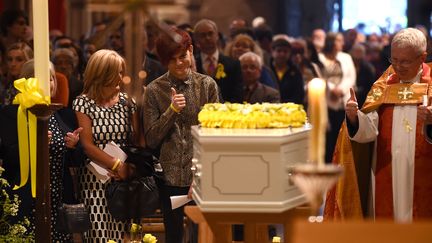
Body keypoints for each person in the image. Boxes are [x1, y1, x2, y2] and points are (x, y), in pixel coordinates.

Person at [324, 28, 432, 222]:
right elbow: (370, 128)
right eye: (394, 60)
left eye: (405, 61)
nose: (398, 67)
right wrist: (355, 118)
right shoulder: (384, 83)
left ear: (422, 57)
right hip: (386, 170)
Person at [143, 27, 219, 243]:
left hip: (202, 174)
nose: (179, 63)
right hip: (170, 176)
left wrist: (201, 171)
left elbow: (213, 135)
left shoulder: (207, 86)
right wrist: (172, 111)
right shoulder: (154, 90)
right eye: (172, 59)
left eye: (183, 56)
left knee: (202, 235)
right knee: (174, 235)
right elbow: (151, 138)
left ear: (191, 51)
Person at [73, 49, 139, 242]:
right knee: (99, 236)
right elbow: (88, 145)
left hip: (126, 179)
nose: (121, 77)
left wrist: (130, 168)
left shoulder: (129, 102)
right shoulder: (82, 103)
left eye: (121, 71)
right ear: (101, 73)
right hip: (95, 180)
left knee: (126, 236)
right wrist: (117, 165)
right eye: (116, 72)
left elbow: (138, 142)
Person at [19, 59, 84, 242]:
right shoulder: (11, 113)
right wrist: (35, 143)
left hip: (58, 197)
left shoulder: (65, 114)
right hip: (26, 198)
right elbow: (8, 156)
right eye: (41, 78)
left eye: (52, 79)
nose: (49, 83)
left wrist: (73, 146)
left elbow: (77, 161)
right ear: (27, 81)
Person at [319, 32, 356, 163]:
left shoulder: (346, 57)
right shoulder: (320, 58)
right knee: (327, 138)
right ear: (331, 42)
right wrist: (331, 88)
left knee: (340, 135)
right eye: (339, 40)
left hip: (341, 99)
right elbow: (319, 76)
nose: (342, 43)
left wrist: (341, 89)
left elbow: (350, 77)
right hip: (326, 100)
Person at [193, 19, 243, 103]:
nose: (207, 38)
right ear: (196, 39)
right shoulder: (192, 64)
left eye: (210, 33)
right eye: (203, 35)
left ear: (217, 36)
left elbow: (237, 96)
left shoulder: (233, 64)